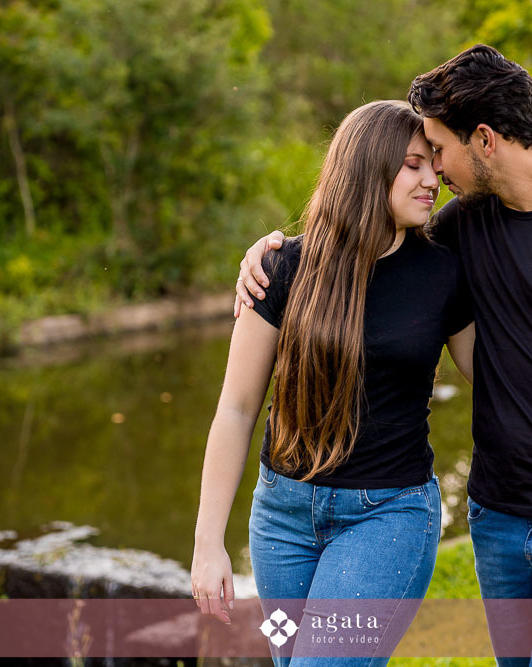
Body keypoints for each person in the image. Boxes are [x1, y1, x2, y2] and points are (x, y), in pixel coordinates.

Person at [235, 45, 532, 665]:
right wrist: (270, 254)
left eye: (439, 150)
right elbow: (366, 250)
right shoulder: (460, 227)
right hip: (497, 516)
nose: (435, 171)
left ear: (486, 140)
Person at [192, 99, 475, 666]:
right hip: (282, 520)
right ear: (369, 168)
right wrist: (207, 543)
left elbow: (493, 381)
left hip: (388, 515)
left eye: (434, 165)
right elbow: (238, 408)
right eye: (414, 164)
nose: (432, 179)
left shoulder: (444, 272)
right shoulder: (281, 268)